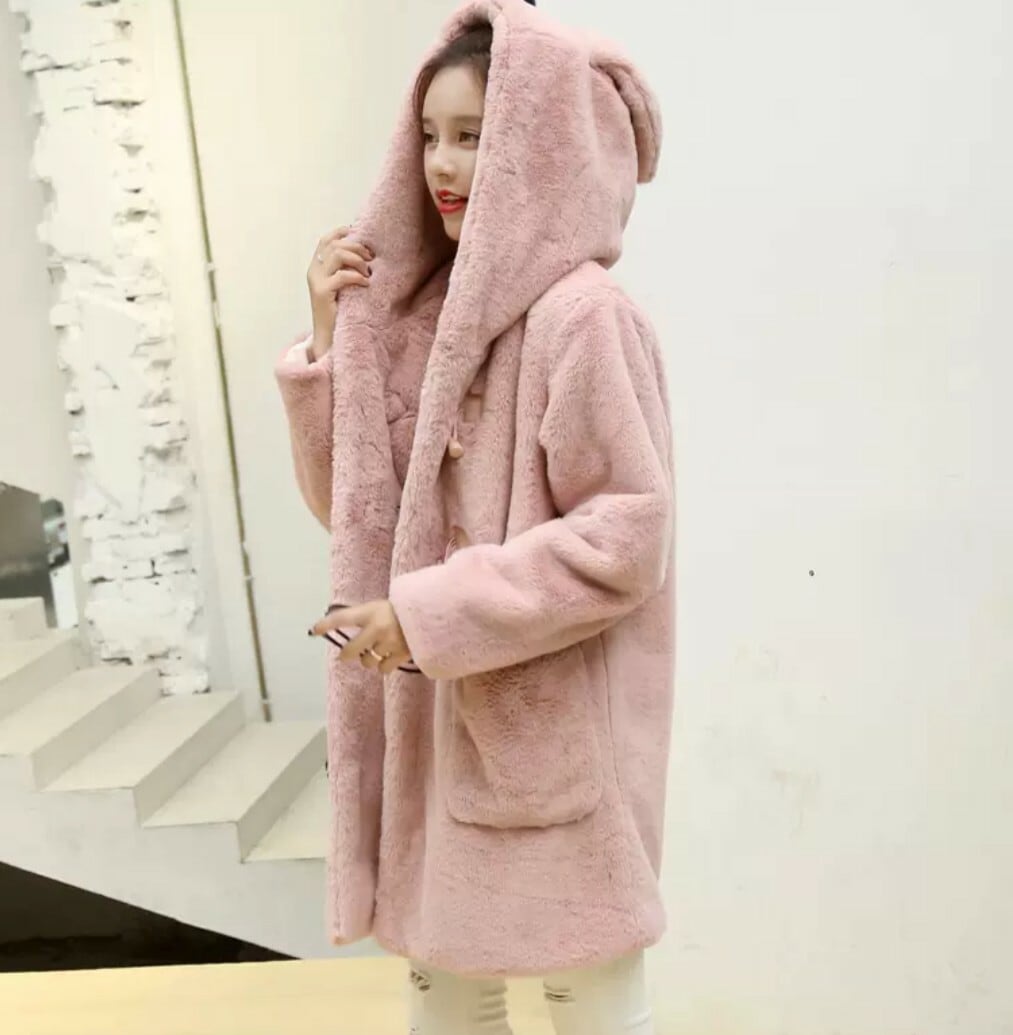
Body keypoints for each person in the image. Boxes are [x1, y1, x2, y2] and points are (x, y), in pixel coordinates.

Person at [275, 1, 674, 1031]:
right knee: (446, 1009)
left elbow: (625, 535)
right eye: (428, 136)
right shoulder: (425, 317)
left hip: (550, 743)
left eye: (473, 136)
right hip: (438, 745)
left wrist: (428, 614)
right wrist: (327, 345)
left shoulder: (584, 318)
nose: (442, 166)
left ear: (538, 149)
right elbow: (353, 515)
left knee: (591, 1003)